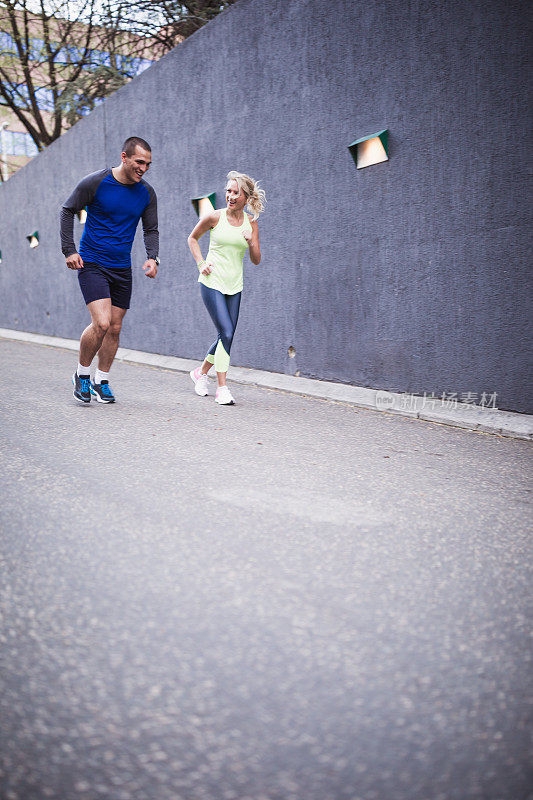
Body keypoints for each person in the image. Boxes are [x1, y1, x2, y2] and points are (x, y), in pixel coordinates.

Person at [60, 136, 159, 404]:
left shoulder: (146, 193)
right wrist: (69, 250)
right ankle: (81, 374)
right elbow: (67, 210)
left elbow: (150, 229)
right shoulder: (96, 182)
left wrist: (153, 257)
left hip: (121, 267)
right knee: (101, 323)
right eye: (139, 162)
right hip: (92, 262)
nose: (144, 168)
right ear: (124, 157)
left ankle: (101, 380)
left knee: (114, 328)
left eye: (148, 164)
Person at [187, 171, 265, 405]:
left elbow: (256, 259)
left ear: (246, 197)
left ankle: (200, 373)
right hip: (212, 282)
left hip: (235, 284)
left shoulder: (251, 223)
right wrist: (201, 263)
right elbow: (192, 238)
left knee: (226, 336)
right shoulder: (214, 217)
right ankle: (222, 388)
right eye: (228, 191)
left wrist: (251, 242)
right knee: (227, 333)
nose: (230, 196)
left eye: (236, 192)